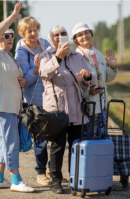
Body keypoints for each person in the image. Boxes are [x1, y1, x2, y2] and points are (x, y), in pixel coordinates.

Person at [0, 2, 35, 193]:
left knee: (3, 142)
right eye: (7, 35)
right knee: (10, 142)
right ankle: (16, 179)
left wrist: (22, 81)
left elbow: (17, 79)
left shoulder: (11, 58)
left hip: (12, 107)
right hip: (2, 106)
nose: (9, 37)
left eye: (12, 35)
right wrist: (13, 17)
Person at [37, 25, 95, 194]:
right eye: (56, 35)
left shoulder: (77, 56)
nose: (60, 37)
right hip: (56, 109)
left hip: (76, 106)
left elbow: (89, 77)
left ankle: (74, 178)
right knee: (57, 146)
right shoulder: (45, 55)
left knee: (76, 145)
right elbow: (44, 73)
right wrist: (58, 57)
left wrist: (87, 76)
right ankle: (56, 181)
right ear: (51, 38)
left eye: (63, 34)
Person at [15, 16, 68, 186]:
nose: (33, 33)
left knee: (55, 137)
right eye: (29, 31)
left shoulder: (45, 43)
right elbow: (25, 80)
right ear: (23, 33)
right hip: (35, 100)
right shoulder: (21, 51)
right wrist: (37, 69)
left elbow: (56, 64)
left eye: (35, 30)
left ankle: (52, 171)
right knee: (40, 139)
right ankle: (40, 172)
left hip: (52, 99)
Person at [71, 22, 118, 138]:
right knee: (89, 139)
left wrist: (112, 67)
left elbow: (107, 78)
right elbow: (73, 84)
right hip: (87, 107)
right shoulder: (75, 57)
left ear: (91, 35)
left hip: (102, 105)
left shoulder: (99, 54)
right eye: (80, 35)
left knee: (101, 139)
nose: (84, 36)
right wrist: (88, 92)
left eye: (86, 32)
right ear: (76, 40)